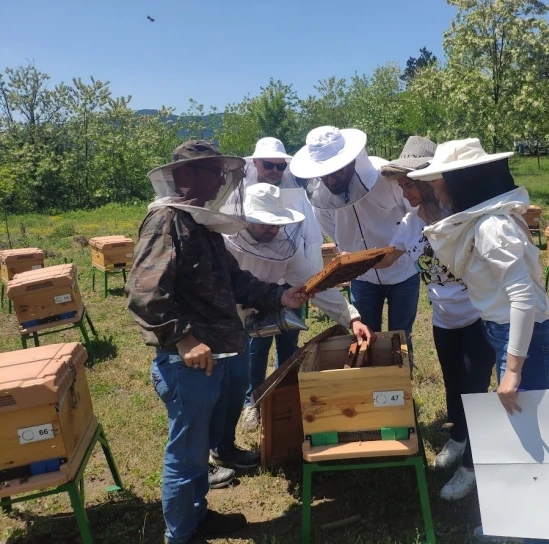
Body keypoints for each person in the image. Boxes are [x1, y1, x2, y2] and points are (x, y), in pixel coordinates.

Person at [126, 140, 307, 544]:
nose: (220, 178)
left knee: (201, 445)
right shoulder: (166, 222)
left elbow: (234, 280)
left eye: (219, 170)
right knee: (187, 454)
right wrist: (184, 339)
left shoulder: (199, 224)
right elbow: (144, 292)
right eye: (210, 170)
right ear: (184, 175)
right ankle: (181, 535)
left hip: (220, 353)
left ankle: (198, 516)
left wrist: (280, 296)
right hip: (187, 363)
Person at [408, 138, 549, 544]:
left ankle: (532, 534)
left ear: (464, 182)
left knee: (527, 439)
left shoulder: (492, 227)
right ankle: (517, 526)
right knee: (519, 435)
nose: (439, 190)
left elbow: (523, 295)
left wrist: (513, 370)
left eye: (443, 183)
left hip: (528, 344)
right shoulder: (482, 223)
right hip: (507, 336)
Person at [376, 136, 496, 501]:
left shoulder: (464, 214)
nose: (404, 191)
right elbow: (390, 255)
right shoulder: (412, 222)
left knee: (475, 390)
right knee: (453, 385)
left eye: (409, 184)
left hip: (480, 316)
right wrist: (342, 268)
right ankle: (459, 438)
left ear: (430, 180)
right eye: (401, 185)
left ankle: (473, 468)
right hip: (444, 319)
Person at [220, 183, 376, 451]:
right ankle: (217, 448)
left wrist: (351, 318)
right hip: (221, 323)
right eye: (265, 223)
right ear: (246, 220)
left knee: (235, 384)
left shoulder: (284, 247)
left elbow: (313, 285)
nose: (274, 229)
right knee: (221, 387)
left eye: (276, 223)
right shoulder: (224, 244)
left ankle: (225, 448)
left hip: (255, 314)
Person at [289, 126, 420, 354]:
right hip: (362, 277)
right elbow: (333, 231)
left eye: (337, 170)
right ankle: (371, 387)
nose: (331, 178)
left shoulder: (385, 177)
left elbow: (414, 214)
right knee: (365, 337)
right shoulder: (320, 196)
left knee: (401, 338)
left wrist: (395, 252)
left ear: (351, 161)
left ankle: (399, 386)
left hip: (403, 271)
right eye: (325, 172)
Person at [236, 137, 323, 431]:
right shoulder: (242, 192)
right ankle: (252, 403)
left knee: (289, 342)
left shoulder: (294, 190)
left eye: (280, 165)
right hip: (254, 288)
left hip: (290, 278)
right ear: (255, 163)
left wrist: (314, 277)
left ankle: (282, 394)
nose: (275, 170)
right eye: (269, 164)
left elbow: (310, 235)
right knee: (255, 346)